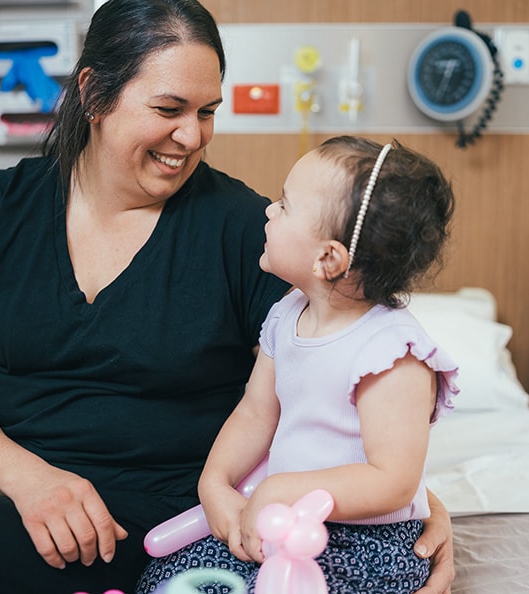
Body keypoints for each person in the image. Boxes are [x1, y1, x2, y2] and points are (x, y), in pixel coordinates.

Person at [0, 1, 455, 593]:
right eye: (168, 109)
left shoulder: (242, 232)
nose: (193, 136)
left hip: (134, 515)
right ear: (93, 93)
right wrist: (28, 480)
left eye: (207, 113)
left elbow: (350, 359)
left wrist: (405, 505)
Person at [138, 136, 458, 593]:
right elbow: (254, 412)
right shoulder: (287, 315)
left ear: (328, 257)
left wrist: (282, 489)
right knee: (168, 578)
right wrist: (216, 483)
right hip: (283, 519)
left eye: (285, 205)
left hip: (366, 541)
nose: (268, 210)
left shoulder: (391, 352)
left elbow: (394, 482)